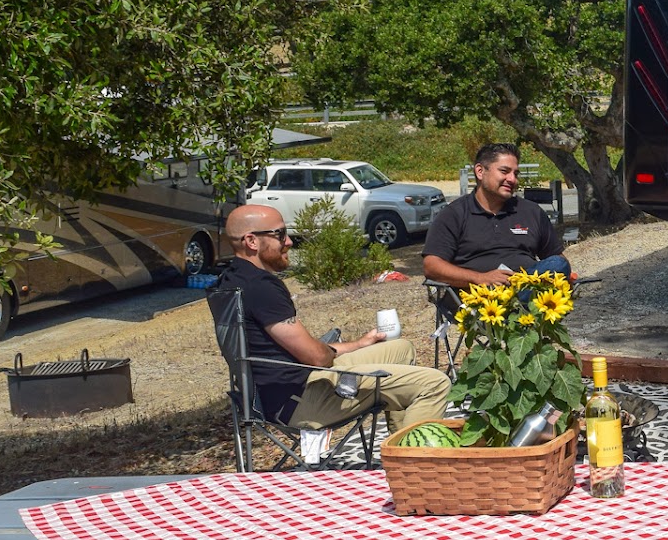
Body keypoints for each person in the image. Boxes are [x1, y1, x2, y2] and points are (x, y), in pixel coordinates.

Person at [216, 206, 450, 436]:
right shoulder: (261, 287)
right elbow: (317, 357)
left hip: (285, 389)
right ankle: (411, 465)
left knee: (401, 349)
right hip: (302, 400)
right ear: (251, 241)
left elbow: (299, 351)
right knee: (435, 384)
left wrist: (357, 344)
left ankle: (398, 443)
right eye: (280, 234)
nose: (288, 242)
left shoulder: (232, 279)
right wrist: (336, 359)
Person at [422, 143, 571, 290]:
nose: (512, 179)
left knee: (559, 264)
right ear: (480, 171)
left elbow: (556, 259)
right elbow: (432, 266)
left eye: (515, 174)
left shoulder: (531, 212)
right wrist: (480, 278)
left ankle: (515, 297)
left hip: (529, 300)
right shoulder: (454, 214)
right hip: (478, 303)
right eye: (504, 171)